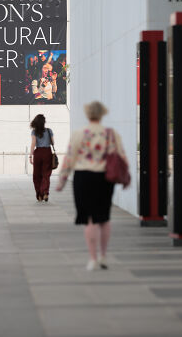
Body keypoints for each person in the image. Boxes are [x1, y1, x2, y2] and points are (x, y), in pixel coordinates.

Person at [56, 101, 128, 271]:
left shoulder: (79, 133)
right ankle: (103, 254)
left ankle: (93, 258)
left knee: (89, 218)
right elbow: (121, 157)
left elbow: (69, 158)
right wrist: (125, 178)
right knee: (104, 217)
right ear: (102, 114)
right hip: (105, 178)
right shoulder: (111, 134)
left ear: (87, 114)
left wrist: (62, 179)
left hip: (84, 177)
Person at [29, 114, 54, 202]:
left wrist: (30, 155)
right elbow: (53, 142)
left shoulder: (34, 132)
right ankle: (45, 192)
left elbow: (33, 144)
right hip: (47, 152)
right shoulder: (49, 130)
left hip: (38, 153)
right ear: (44, 122)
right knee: (46, 174)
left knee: (37, 175)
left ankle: (39, 195)